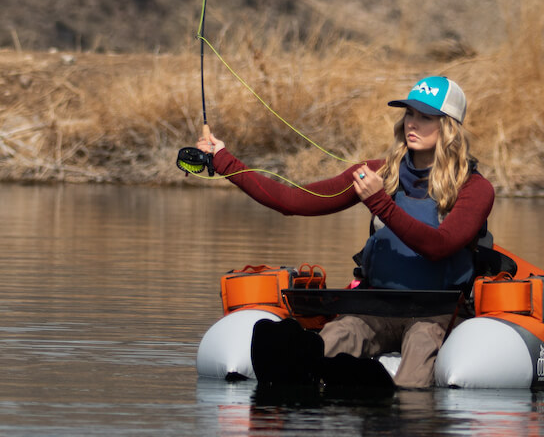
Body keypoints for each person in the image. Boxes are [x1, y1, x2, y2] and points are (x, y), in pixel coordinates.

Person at [196, 76, 495, 388]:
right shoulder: (378, 172)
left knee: (414, 371)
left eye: (425, 117)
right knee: (335, 338)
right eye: (409, 114)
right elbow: (292, 200)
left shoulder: (475, 188)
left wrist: (380, 202)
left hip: (435, 314)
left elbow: (440, 246)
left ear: (448, 127)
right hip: (374, 307)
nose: (413, 124)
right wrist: (224, 160)